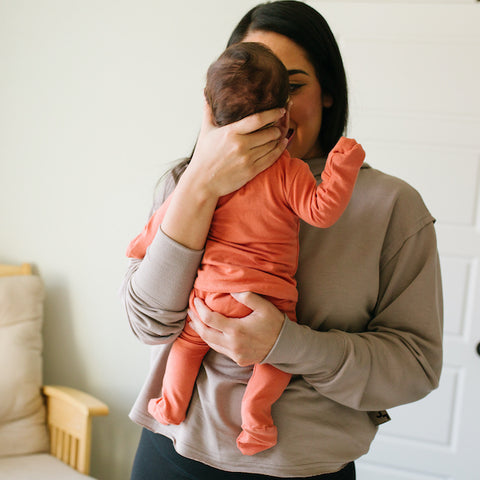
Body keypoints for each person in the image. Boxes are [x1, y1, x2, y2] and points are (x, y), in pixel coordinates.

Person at [121, 1, 443, 479]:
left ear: (328, 91)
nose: (269, 111)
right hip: (172, 453)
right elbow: (147, 323)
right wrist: (201, 185)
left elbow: (415, 366)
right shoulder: (186, 184)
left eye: (290, 87)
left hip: (307, 469)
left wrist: (286, 345)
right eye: (250, 93)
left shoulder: (392, 207)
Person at [126, 41, 365, 457]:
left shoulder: (395, 205)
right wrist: (341, 167)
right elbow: (321, 209)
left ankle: (171, 402)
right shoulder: (277, 172)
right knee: (271, 369)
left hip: (210, 299)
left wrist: (143, 241)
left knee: (187, 345)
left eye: (295, 83)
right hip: (267, 297)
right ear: (282, 115)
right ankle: (256, 419)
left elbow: (158, 222)